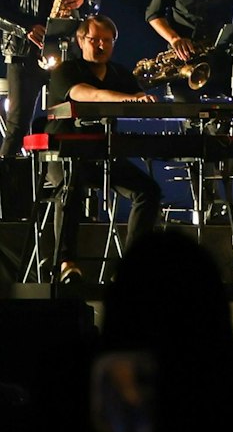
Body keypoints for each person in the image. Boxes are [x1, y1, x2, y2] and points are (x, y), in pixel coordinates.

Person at [44, 15, 164, 283]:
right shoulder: (66, 70)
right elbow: (88, 94)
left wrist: (150, 100)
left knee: (148, 190)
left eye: (107, 40)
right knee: (71, 190)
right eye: (94, 39)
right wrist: (131, 98)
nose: (101, 45)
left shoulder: (119, 74)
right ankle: (66, 263)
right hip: (64, 154)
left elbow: (141, 101)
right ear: (80, 40)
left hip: (102, 154)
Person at [1, 0, 101, 161]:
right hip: (25, 52)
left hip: (67, 50)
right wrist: (26, 28)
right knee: (17, 126)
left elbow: (95, 2)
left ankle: (66, 186)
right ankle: (9, 192)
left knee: (75, 124)